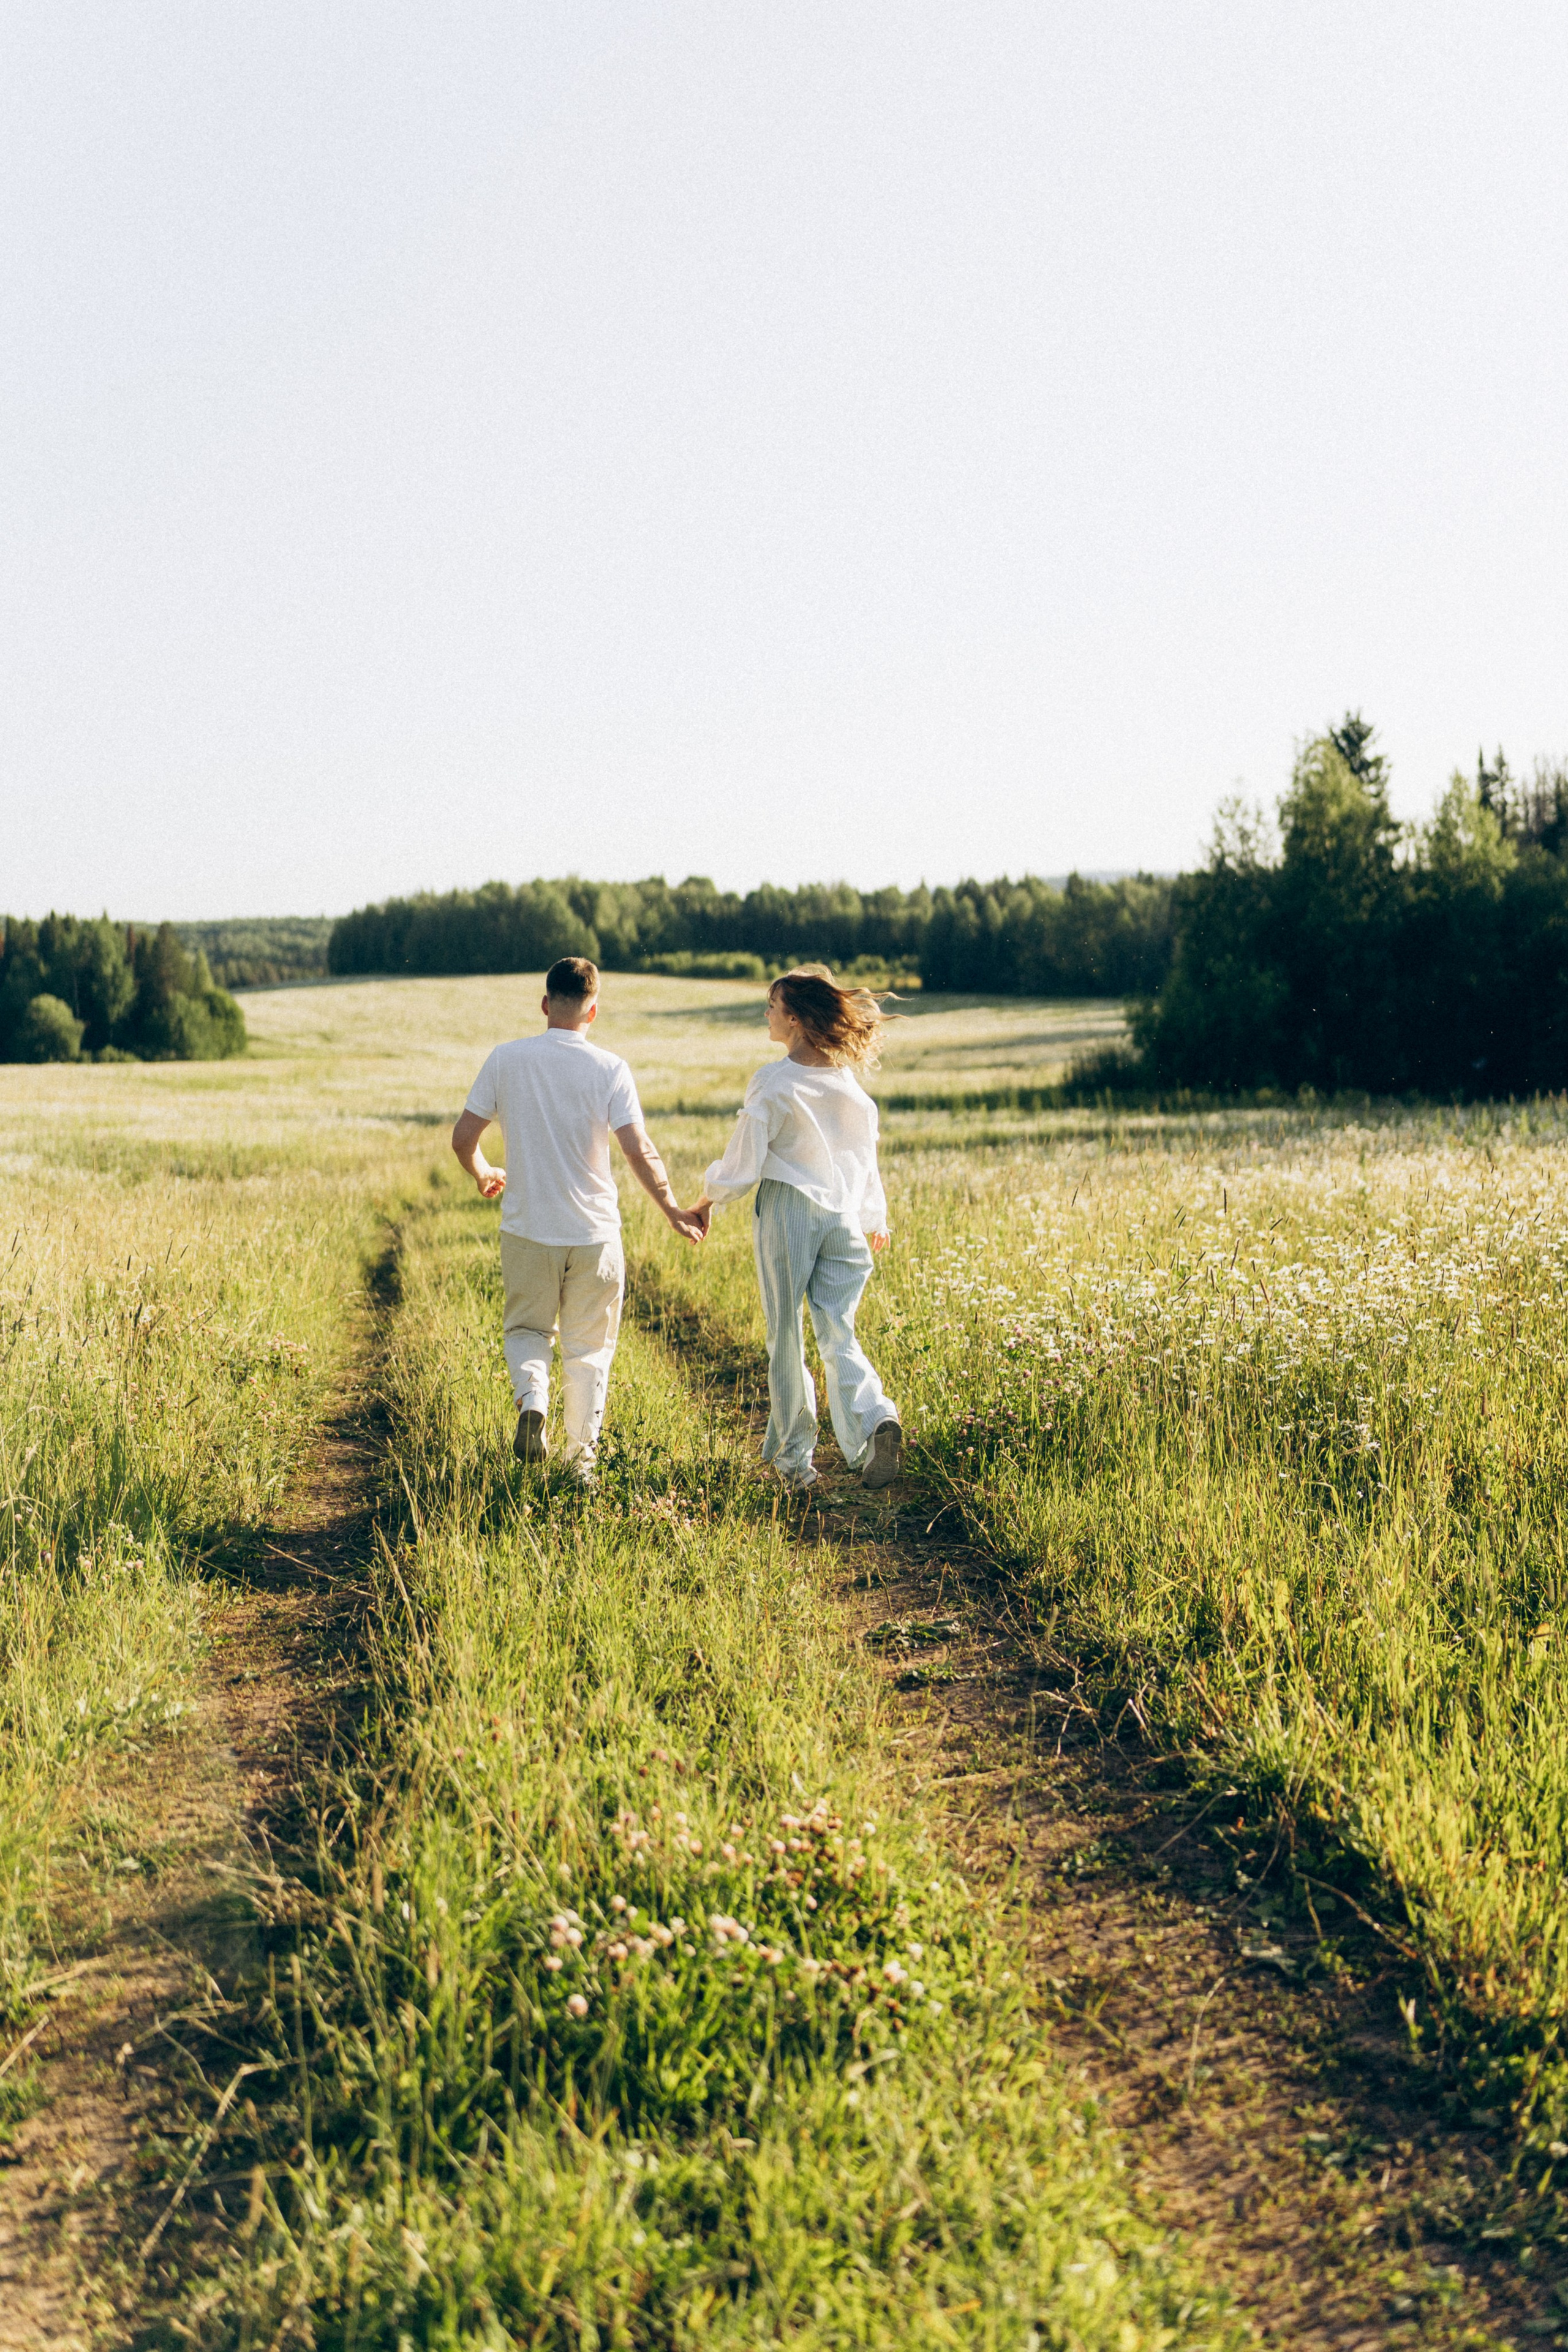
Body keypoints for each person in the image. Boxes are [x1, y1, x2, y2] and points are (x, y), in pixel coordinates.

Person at [451, 956, 706, 1481]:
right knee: (589, 1351)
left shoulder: (506, 1059)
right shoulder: (610, 1068)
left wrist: (482, 1173)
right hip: (595, 1236)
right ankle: (579, 1469)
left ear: (546, 1005)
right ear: (593, 1013)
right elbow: (640, 1151)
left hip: (527, 1232)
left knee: (527, 1330)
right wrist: (673, 1210)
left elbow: (463, 1139)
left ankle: (532, 1403)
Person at [694, 967, 902, 1494]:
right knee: (839, 1331)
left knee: (785, 1332)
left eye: (771, 1005)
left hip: (790, 1209)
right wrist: (873, 1218)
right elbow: (865, 1161)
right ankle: (875, 1415)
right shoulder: (851, 1088)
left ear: (793, 1018)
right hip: (844, 1218)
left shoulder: (775, 1078)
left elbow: (744, 1163)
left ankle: (795, 1464)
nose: (765, 1013)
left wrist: (706, 1199)